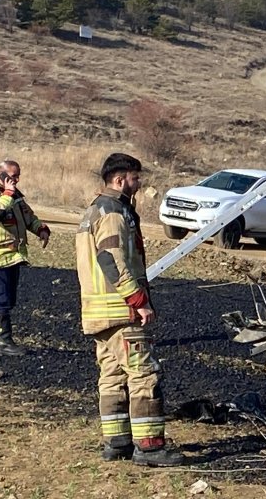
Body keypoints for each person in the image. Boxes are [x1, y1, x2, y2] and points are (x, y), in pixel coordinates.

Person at [76, 153, 190, 467]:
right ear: (120, 179)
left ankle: (117, 443)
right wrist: (137, 301)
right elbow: (111, 258)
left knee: (112, 377)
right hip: (121, 310)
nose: (139, 184)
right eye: (135, 178)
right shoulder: (112, 212)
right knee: (144, 374)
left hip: (99, 313)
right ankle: (150, 447)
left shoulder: (93, 211)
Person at [0, 160, 50, 356]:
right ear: (1, 174)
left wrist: (40, 229)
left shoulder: (14, 194)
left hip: (12, 257)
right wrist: (7, 194)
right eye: (13, 176)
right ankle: (2, 341)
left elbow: (27, 215)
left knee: (8, 299)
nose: (16, 180)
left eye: (18, 176)